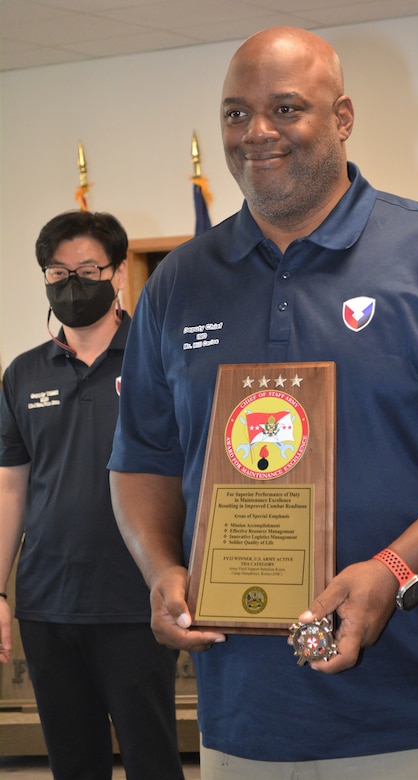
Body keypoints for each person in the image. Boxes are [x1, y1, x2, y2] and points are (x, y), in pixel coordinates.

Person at [108, 27, 418, 779]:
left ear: (342, 118)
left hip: (408, 709)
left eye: (286, 108)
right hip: (238, 716)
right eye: (235, 114)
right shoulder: (179, 283)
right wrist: (159, 567)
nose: (257, 134)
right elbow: (141, 457)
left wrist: (394, 568)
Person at [0, 211, 185, 780]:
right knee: (73, 764)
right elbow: (10, 487)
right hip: (48, 601)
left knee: (151, 757)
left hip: (138, 598)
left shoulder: (161, 361)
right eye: (57, 273)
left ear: (119, 272)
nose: (71, 284)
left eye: (86, 270)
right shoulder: (23, 374)